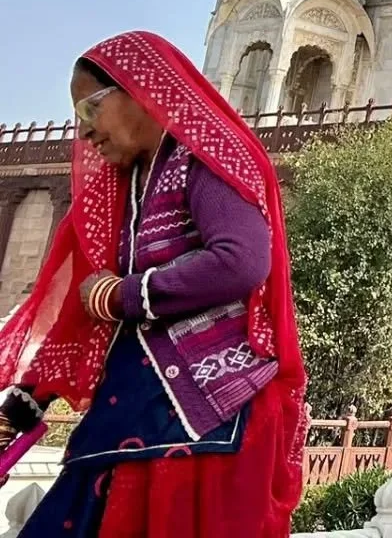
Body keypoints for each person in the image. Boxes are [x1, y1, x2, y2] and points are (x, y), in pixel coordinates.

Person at [0, 31, 306, 537]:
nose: (85, 134)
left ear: (137, 89)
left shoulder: (204, 156)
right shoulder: (121, 189)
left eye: (90, 110)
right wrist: (26, 400)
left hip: (205, 418)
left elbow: (241, 260)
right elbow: (82, 310)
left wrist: (125, 294)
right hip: (126, 413)